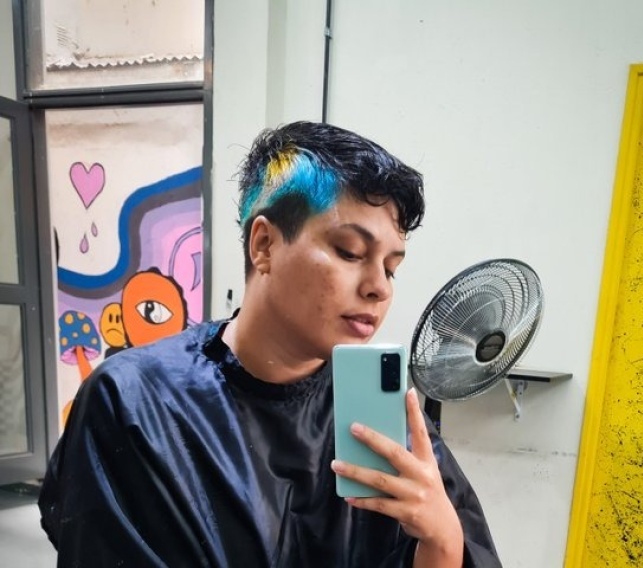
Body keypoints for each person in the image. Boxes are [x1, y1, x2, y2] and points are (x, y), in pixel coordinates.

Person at [39, 121, 501, 567]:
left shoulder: (385, 418)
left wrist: (443, 540)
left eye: (391, 268)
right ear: (264, 245)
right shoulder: (134, 403)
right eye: (350, 252)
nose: (379, 287)